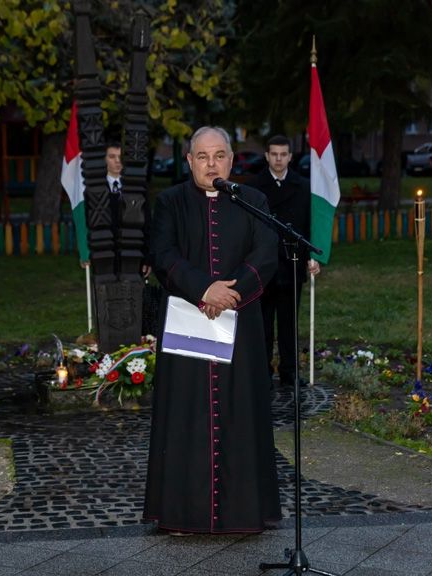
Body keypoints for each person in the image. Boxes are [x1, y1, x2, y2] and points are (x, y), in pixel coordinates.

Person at [143, 126, 280, 534]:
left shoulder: (254, 201)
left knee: (241, 414)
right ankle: (182, 514)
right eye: (202, 157)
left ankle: (243, 513)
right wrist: (204, 289)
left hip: (241, 324)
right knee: (185, 417)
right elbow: (163, 254)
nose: (211, 164)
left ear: (232, 160)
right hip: (189, 322)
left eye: (219, 156)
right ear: (189, 161)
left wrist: (231, 294)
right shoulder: (170, 202)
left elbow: (266, 252)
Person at [251, 135, 320, 387]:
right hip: (265, 265)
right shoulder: (255, 187)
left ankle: (290, 372)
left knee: (289, 322)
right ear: (267, 156)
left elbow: (309, 223)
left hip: (292, 262)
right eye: (274, 154)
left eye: (283, 154)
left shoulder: (302, 186)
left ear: (290, 157)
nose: (278, 159)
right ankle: (263, 372)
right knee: (264, 323)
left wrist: (312, 255)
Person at [105, 141, 152, 277]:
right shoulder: (96, 188)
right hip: (105, 255)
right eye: (112, 156)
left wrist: (147, 257)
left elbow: (147, 224)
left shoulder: (137, 186)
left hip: (134, 254)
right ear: (104, 159)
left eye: (120, 157)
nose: (117, 161)